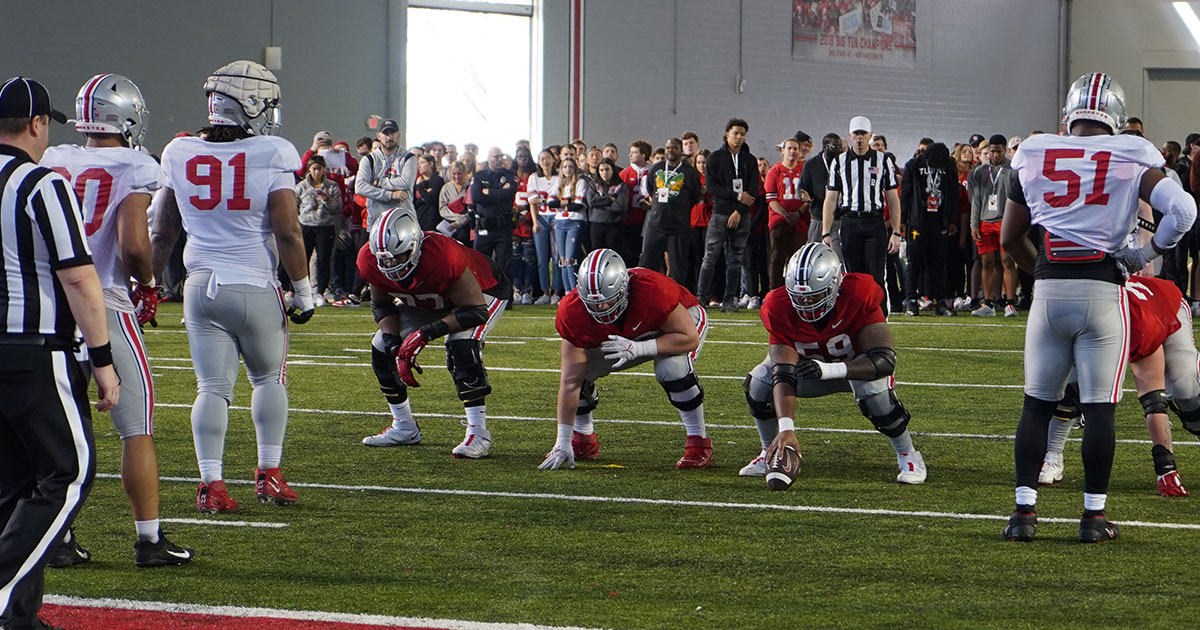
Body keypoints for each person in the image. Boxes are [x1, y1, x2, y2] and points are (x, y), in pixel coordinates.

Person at [999, 72, 1196, 543]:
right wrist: (1144, 255)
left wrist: (1043, 271)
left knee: (1036, 405)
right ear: (1114, 113)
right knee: (1099, 410)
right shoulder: (1134, 151)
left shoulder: (1033, 149)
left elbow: (1009, 239)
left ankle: (1023, 514)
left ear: (1071, 112)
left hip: (1049, 293)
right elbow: (1184, 212)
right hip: (1103, 293)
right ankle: (1092, 518)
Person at [40, 74, 193, 568]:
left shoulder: (54, 158)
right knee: (136, 427)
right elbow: (132, 244)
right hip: (103, 301)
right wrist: (147, 285)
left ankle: (58, 537)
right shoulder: (133, 163)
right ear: (126, 116)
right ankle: (149, 540)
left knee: (59, 427)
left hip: (50, 305)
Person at [151, 60, 316, 515]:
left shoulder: (178, 151)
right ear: (253, 105)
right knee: (268, 379)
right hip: (253, 284)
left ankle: (211, 483)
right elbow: (287, 231)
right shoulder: (274, 151)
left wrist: (146, 283)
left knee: (210, 387)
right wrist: (304, 291)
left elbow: (162, 231)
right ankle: (269, 474)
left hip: (200, 286)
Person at [0, 75, 119, 630]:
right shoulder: (41, 184)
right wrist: (102, 359)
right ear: (38, 124)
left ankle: (18, 616)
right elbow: (78, 278)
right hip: (36, 349)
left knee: (13, 482)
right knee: (69, 474)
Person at [739, 243, 926, 483]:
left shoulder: (859, 293)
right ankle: (771, 451)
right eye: (799, 297)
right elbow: (783, 373)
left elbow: (884, 360)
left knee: (874, 395)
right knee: (758, 382)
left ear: (835, 285)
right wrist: (787, 427)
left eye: (814, 296)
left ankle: (908, 454)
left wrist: (828, 370)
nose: (806, 305)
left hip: (857, 369)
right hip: (810, 372)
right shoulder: (778, 306)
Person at [539, 249, 711, 470]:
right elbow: (569, 381)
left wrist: (641, 348)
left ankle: (699, 443)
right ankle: (582, 438)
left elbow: (689, 338)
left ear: (624, 288)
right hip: (627, 335)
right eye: (592, 304)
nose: (600, 308)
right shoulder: (572, 312)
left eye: (606, 301)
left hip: (677, 325)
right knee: (579, 373)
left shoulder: (652, 291)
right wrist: (561, 440)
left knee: (671, 368)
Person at [358, 208, 510, 458]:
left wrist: (423, 335)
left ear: (415, 247)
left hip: (483, 291)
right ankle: (404, 426)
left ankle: (478, 433)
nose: (391, 265)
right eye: (385, 260)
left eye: (398, 256)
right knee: (382, 346)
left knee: (462, 343)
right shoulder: (369, 259)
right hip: (430, 297)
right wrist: (397, 346)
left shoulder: (443, 257)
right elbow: (382, 305)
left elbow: (475, 311)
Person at [1039, 276, 1199, 496]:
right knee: (1071, 387)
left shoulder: (1140, 324)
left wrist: (1165, 467)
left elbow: (1153, 399)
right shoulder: (1081, 316)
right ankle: (1052, 456)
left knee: (1185, 387)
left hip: (1164, 306)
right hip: (1106, 309)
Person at [821, 116, 901, 315]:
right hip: (850, 221)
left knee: (875, 276)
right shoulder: (839, 162)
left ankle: (879, 319)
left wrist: (896, 232)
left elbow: (893, 197)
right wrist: (825, 232)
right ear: (849, 135)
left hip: (874, 221)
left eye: (863, 134)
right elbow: (830, 198)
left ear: (870, 136)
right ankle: (856, 320)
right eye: (856, 134)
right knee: (852, 277)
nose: (859, 138)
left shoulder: (883, 160)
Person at [700, 118, 759, 313]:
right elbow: (711, 186)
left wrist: (739, 210)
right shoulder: (715, 158)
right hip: (719, 213)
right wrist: (737, 196)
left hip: (742, 216)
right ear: (727, 134)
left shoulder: (749, 160)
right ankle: (701, 298)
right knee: (710, 257)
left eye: (742, 134)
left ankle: (730, 299)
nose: (739, 137)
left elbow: (753, 190)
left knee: (736, 259)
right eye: (736, 133)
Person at [898, 142, 959, 316]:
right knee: (914, 263)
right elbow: (906, 193)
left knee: (939, 264)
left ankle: (940, 302)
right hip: (918, 223)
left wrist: (952, 220)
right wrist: (903, 220)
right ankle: (911, 301)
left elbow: (953, 194)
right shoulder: (913, 165)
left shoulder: (949, 167)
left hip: (940, 222)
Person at [639, 138, 702, 285]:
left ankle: (675, 300)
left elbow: (694, 196)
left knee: (678, 268)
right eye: (668, 148)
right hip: (656, 224)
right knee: (647, 263)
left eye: (674, 148)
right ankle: (645, 295)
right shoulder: (656, 168)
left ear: (680, 150)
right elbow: (650, 189)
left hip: (678, 227)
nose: (670, 151)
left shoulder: (689, 172)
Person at [968, 135, 1018, 317]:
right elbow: (976, 200)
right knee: (986, 262)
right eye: (992, 151)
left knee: (1007, 262)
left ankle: (1010, 303)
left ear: (1005, 150)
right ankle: (988, 303)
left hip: (1006, 221)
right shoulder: (979, 172)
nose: (995, 155)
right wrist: (974, 225)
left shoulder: (1013, 170)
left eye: (999, 151)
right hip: (985, 222)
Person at [295, 154, 344, 306]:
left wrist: (327, 199)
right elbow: (293, 205)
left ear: (324, 170)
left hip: (325, 226)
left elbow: (338, 208)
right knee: (302, 259)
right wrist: (298, 219)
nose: (317, 173)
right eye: (314, 169)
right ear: (309, 169)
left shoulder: (331, 186)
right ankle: (300, 291)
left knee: (324, 260)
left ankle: (320, 292)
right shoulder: (301, 186)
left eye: (320, 169)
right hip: (306, 225)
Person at [764, 137, 810, 290]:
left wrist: (798, 212)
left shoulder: (804, 170)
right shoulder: (775, 171)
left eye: (795, 148)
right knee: (777, 255)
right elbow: (771, 198)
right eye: (789, 148)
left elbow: (810, 196)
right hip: (779, 220)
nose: (792, 151)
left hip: (800, 220)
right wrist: (786, 214)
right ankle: (775, 290)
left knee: (797, 258)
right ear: (782, 151)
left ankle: (794, 289)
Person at [355, 118, 417, 229]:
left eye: (392, 133)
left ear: (399, 135)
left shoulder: (409, 157)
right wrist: (391, 195)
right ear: (378, 136)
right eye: (385, 133)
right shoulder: (369, 159)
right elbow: (360, 187)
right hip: (377, 222)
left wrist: (379, 182)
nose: (389, 137)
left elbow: (405, 182)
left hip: (404, 222)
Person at [470, 147, 519, 276]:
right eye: (495, 157)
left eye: (500, 157)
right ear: (488, 158)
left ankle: (504, 295)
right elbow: (476, 197)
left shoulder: (509, 175)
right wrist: (500, 193)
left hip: (503, 227)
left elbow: (509, 194)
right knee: (480, 262)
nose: (498, 160)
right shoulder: (479, 176)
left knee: (504, 264)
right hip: (484, 227)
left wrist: (489, 192)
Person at [799, 133, 845, 256]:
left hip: (839, 218)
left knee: (837, 256)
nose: (839, 150)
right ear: (825, 147)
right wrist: (803, 195)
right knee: (814, 254)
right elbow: (802, 186)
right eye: (835, 147)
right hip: (818, 217)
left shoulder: (844, 164)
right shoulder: (811, 164)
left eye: (840, 147)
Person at [527, 150, 563, 304]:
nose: (545, 161)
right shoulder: (534, 177)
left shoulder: (559, 177)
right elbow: (532, 201)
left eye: (547, 158)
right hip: (541, 219)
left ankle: (556, 292)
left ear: (553, 160)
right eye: (542, 159)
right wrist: (535, 222)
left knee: (557, 258)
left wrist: (541, 200)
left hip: (557, 218)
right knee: (542, 259)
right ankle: (544, 292)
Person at [547, 156, 588, 291]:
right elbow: (550, 203)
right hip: (559, 222)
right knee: (562, 260)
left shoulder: (580, 182)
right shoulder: (558, 183)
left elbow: (579, 205)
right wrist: (568, 202)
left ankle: (575, 291)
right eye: (565, 167)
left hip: (575, 221)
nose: (568, 169)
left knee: (571, 259)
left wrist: (562, 204)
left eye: (570, 167)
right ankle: (567, 293)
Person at [619, 139, 654, 266]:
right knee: (629, 254)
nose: (630, 155)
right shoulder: (624, 173)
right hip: (629, 220)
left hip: (648, 221)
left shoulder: (653, 171)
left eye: (634, 152)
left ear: (643, 155)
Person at [586, 158, 629, 254]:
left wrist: (600, 203)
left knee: (613, 252)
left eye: (607, 169)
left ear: (612, 170)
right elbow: (592, 201)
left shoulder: (621, 186)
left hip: (614, 224)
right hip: (597, 224)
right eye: (601, 170)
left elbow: (620, 205)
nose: (604, 172)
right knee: (597, 253)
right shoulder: (594, 185)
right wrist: (610, 199)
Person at [412, 153, 444, 231]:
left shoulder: (437, 180)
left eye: (422, 163)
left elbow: (431, 199)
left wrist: (420, 187)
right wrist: (424, 195)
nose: (419, 166)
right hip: (419, 223)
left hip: (432, 223)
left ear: (431, 164)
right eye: (418, 164)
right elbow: (414, 203)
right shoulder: (417, 182)